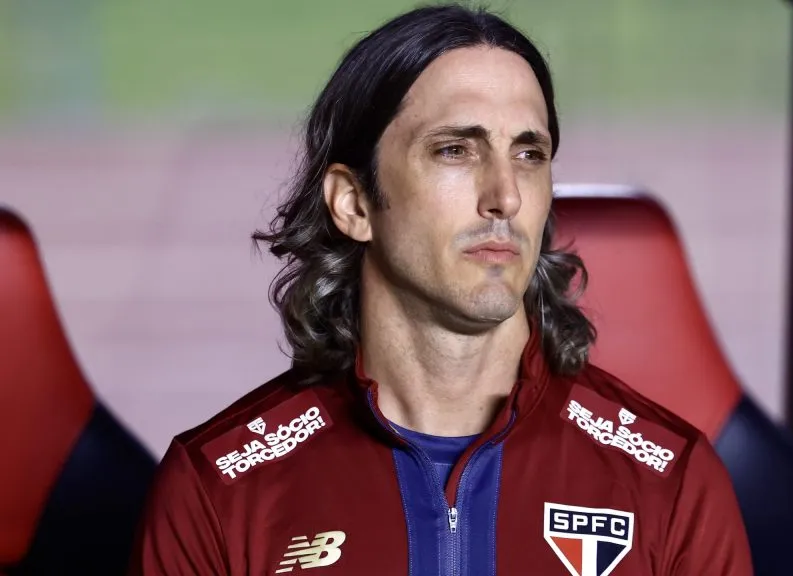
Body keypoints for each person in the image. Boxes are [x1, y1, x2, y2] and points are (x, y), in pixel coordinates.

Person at [130, 4, 753, 575]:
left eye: (529, 155)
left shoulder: (672, 484)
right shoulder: (217, 492)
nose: (505, 196)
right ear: (353, 203)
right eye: (456, 150)